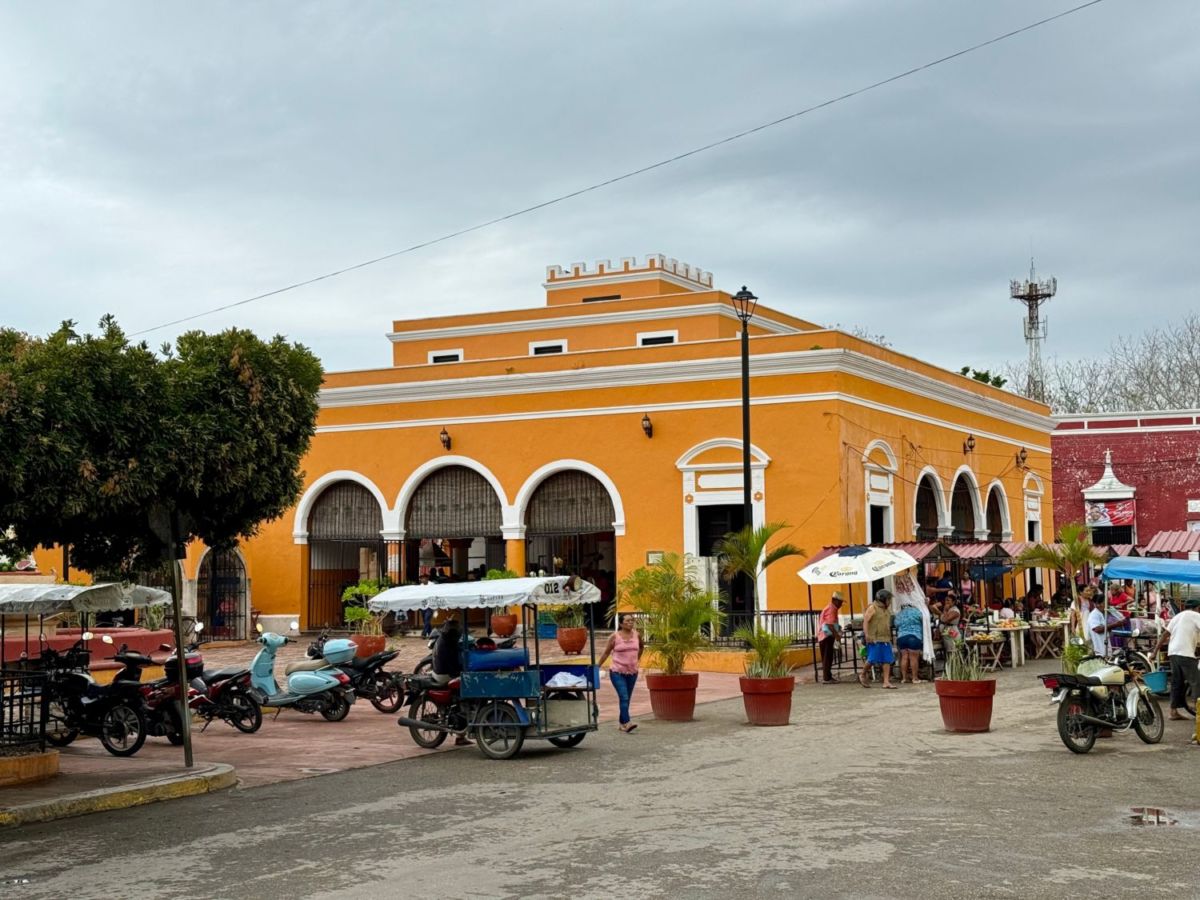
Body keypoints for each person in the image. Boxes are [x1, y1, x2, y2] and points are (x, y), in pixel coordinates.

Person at [1152, 596, 1200, 722]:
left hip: (1173, 652)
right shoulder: (1196, 616)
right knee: (1196, 682)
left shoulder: (1177, 616)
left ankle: (1173, 711)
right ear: (1197, 608)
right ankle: (1198, 710)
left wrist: (1154, 652)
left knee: (1176, 683)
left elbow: (1165, 635)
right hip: (1185, 653)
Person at [598, 614, 643, 733]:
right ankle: (627, 722)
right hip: (617, 672)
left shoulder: (637, 635)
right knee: (624, 696)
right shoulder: (615, 637)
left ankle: (622, 723)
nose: (630, 622)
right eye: (627, 621)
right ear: (621, 624)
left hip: (632, 672)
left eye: (632, 620)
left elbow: (641, 648)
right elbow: (606, 653)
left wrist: (636, 660)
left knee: (626, 699)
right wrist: (597, 666)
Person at [430, 617, 469, 744]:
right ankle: (460, 729)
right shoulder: (446, 643)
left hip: (444, 671)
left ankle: (461, 732)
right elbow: (452, 665)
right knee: (464, 690)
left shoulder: (447, 639)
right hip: (443, 674)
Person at [860, 589, 896, 689]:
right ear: (883, 599)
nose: (890, 602)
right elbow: (866, 621)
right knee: (872, 659)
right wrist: (867, 635)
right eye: (888, 599)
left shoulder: (886, 609)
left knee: (887, 660)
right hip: (874, 638)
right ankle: (863, 673)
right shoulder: (873, 608)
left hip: (885, 638)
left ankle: (886, 682)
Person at [894, 598, 925, 684]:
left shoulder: (899, 614)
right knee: (913, 658)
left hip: (902, 638)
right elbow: (924, 621)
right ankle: (914, 678)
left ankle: (904, 678)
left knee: (904, 657)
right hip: (914, 637)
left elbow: (896, 624)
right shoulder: (918, 611)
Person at [818, 592, 844, 684]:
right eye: (840, 602)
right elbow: (829, 624)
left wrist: (838, 628)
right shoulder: (831, 609)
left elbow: (832, 623)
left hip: (826, 636)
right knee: (827, 657)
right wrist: (837, 635)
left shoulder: (832, 608)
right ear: (835, 600)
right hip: (826, 636)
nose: (841, 604)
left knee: (828, 657)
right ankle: (826, 678)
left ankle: (828, 676)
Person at [938, 591, 963, 658]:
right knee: (949, 650)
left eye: (948, 600)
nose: (946, 602)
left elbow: (946, 620)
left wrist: (945, 610)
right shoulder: (948, 609)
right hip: (947, 631)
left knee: (953, 650)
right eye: (946, 600)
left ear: (953, 602)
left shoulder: (955, 610)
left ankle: (955, 666)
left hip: (952, 630)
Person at [418, 573, 434, 637]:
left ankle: (424, 633)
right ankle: (430, 633)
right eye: (421, 578)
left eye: (424, 578)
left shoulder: (432, 585)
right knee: (425, 620)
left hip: (430, 605)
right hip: (423, 605)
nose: (422, 579)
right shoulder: (420, 586)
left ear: (427, 578)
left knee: (427, 618)